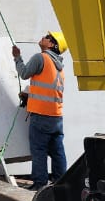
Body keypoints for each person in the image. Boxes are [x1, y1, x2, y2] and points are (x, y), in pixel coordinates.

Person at [10, 31, 67, 189]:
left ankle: (40, 184)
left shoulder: (41, 57)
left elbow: (24, 73)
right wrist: (30, 95)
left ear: (52, 45)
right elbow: (48, 90)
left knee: (39, 150)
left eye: (48, 37)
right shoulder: (59, 67)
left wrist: (17, 57)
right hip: (56, 117)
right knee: (57, 151)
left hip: (41, 116)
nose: (44, 37)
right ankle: (61, 183)